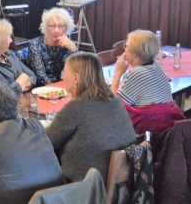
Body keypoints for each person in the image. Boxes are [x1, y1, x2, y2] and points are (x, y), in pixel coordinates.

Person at [47, 52, 137, 182]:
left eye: (64, 71)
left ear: (76, 78)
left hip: (84, 188)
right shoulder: (114, 100)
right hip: (119, 185)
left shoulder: (76, 107)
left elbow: (47, 142)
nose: (62, 76)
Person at [111, 29, 183, 133]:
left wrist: (118, 73)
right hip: (167, 127)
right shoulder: (156, 66)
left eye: (126, 46)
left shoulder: (135, 74)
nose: (124, 50)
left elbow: (113, 107)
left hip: (148, 131)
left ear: (135, 54)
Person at [27, 7, 77, 85]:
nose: (56, 30)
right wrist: (56, 91)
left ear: (66, 28)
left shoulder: (67, 44)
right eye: (52, 26)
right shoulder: (35, 44)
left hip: (65, 86)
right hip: (43, 89)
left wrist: (73, 49)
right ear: (46, 27)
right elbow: (40, 76)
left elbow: (76, 71)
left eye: (61, 26)